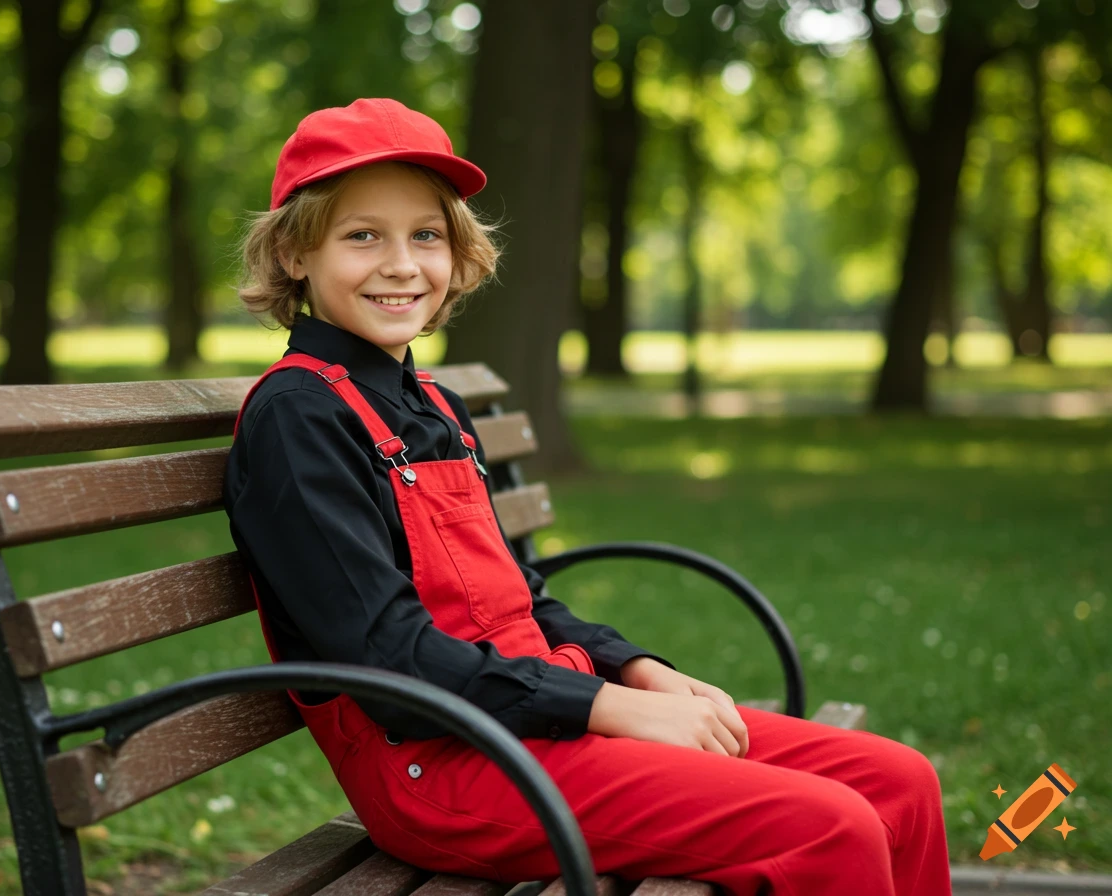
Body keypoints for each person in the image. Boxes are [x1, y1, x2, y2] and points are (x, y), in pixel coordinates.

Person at [222, 97, 952, 896]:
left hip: (527, 720)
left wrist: (639, 672)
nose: (402, 264)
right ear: (294, 252)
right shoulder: (300, 418)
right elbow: (389, 662)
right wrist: (608, 707)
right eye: (363, 235)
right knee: (829, 826)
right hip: (442, 766)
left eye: (425, 235)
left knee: (899, 781)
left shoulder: (429, 402)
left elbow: (518, 599)